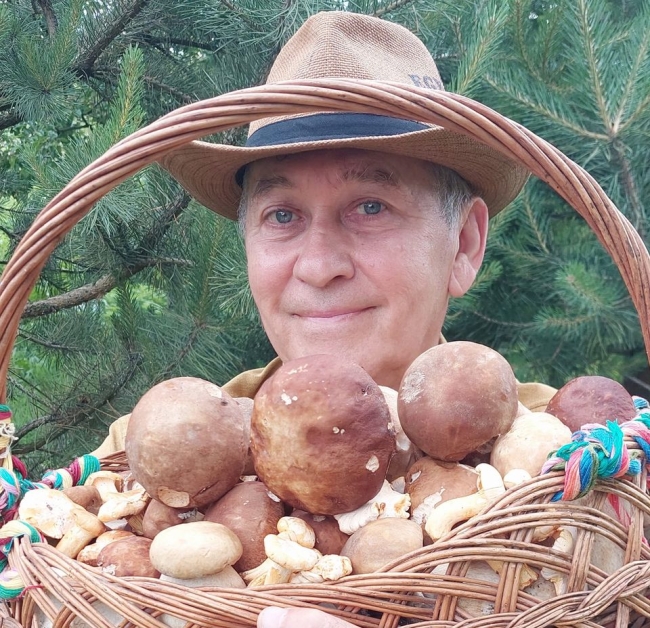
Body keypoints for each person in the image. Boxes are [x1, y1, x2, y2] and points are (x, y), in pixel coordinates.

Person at [92, 11, 556, 627]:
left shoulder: (575, 466)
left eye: (370, 207)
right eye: (282, 216)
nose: (317, 266)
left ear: (465, 245)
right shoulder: (144, 453)